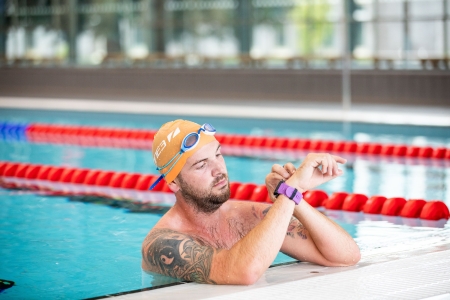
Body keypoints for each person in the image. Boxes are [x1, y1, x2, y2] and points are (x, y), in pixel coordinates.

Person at [141, 120, 361, 285]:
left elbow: (346, 255)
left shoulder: (246, 217)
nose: (219, 170)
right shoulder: (161, 244)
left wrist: (292, 195)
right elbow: (241, 272)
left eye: (218, 155)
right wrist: (290, 191)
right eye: (201, 165)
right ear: (174, 183)